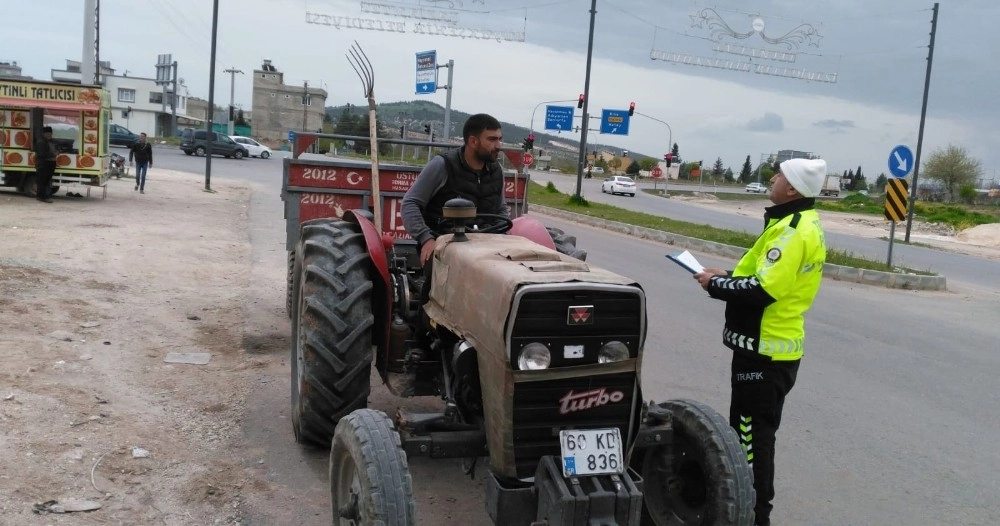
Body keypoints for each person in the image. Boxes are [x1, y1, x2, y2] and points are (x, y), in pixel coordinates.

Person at [692, 158, 828, 526]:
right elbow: (762, 274)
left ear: (794, 189)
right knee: (752, 438)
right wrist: (729, 273)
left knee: (751, 445)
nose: (773, 178)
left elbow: (764, 289)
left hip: (765, 354)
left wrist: (715, 284)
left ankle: (752, 517)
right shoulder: (793, 222)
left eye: (780, 175)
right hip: (770, 349)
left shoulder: (792, 231)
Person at [402, 113, 510, 266]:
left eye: (499, 139)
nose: (499, 145)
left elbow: (501, 210)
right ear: (473, 141)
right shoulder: (442, 165)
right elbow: (410, 203)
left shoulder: (497, 170)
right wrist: (426, 239)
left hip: (487, 247)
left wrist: (503, 238)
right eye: (492, 139)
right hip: (446, 246)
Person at [32, 126, 57, 203]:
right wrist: (53, 154)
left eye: (50, 133)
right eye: (47, 133)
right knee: (42, 181)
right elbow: (41, 154)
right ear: (44, 134)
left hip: (50, 163)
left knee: (46, 181)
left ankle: (44, 196)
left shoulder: (50, 141)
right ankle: (41, 196)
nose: (49, 135)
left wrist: (56, 152)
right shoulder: (41, 142)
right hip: (43, 164)